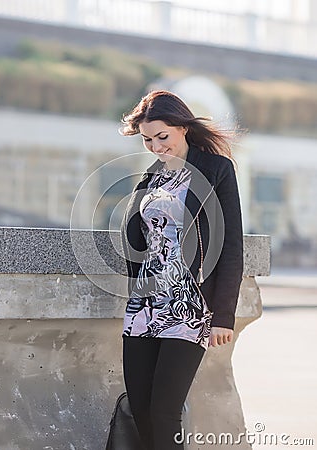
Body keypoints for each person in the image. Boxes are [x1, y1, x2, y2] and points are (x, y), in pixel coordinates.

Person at [119, 90, 243, 450]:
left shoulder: (216, 170)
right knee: (139, 406)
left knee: (165, 410)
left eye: (163, 137)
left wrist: (223, 315)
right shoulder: (152, 176)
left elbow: (231, 244)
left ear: (183, 128)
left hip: (189, 305)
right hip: (144, 305)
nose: (157, 147)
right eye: (147, 140)